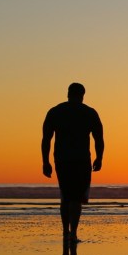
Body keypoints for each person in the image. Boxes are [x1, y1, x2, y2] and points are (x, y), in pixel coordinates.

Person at [42, 82, 104, 242]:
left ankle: (65, 232)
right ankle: (73, 233)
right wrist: (99, 157)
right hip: (81, 159)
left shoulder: (55, 112)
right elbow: (99, 138)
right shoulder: (89, 113)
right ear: (82, 95)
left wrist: (45, 161)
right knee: (76, 197)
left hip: (62, 159)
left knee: (66, 196)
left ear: (68, 94)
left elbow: (46, 139)